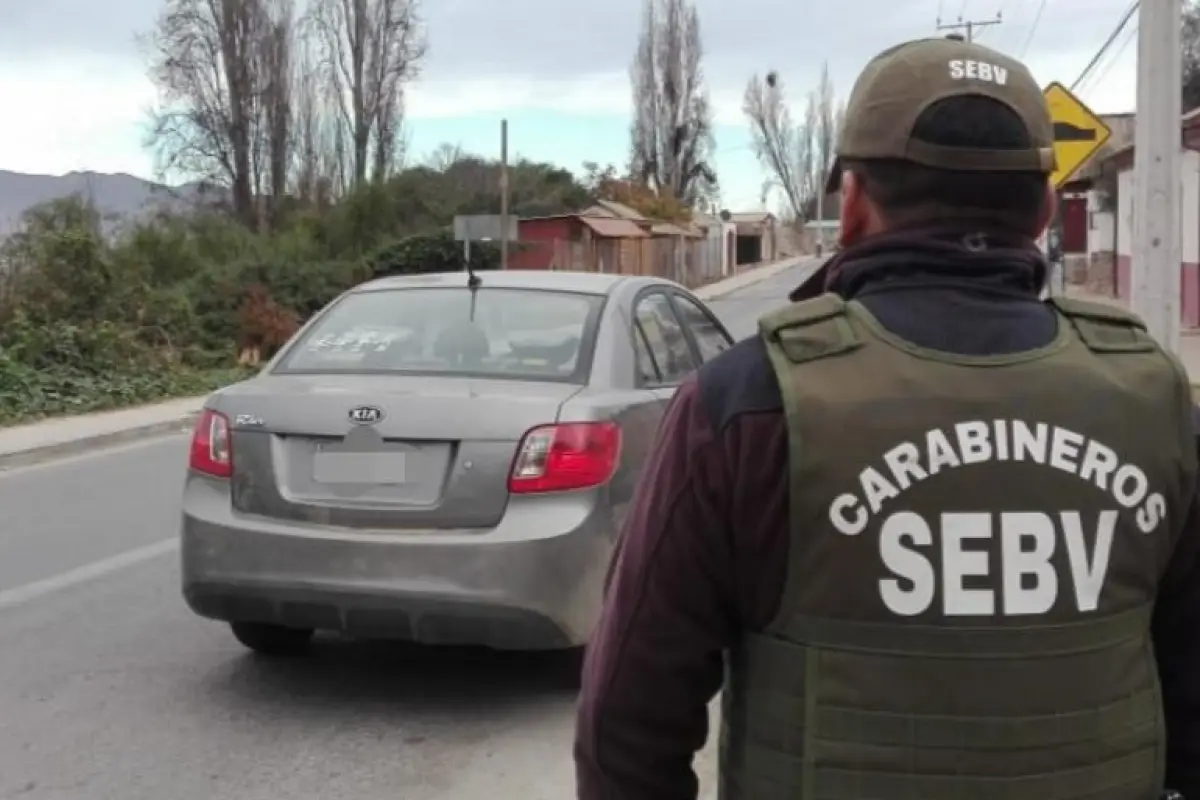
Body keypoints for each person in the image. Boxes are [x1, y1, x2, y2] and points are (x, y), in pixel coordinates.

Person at [574, 34, 1200, 800]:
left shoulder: (747, 403)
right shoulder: (1154, 399)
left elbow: (628, 729)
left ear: (855, 205)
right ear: (1042, 212)